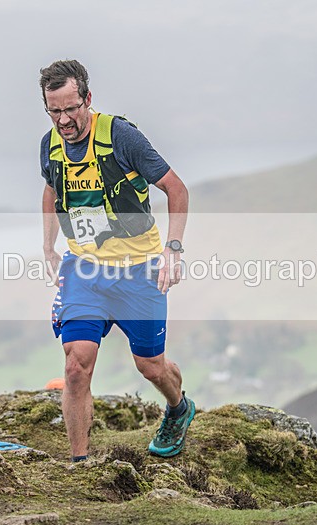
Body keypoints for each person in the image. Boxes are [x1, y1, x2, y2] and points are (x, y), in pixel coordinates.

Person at [38, 59, 193, 461]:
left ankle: (178, 408)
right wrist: (48, 247)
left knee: (151, 366)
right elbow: (52, 190)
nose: (64, 119)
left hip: (139, 269)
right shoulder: (50, 144)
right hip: (85, 270)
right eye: (55, 110)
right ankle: (80, 464)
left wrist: (173, 249)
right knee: (75, 367)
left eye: (71, 108)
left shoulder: (122, 137)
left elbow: (176, 189)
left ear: (87, 99)